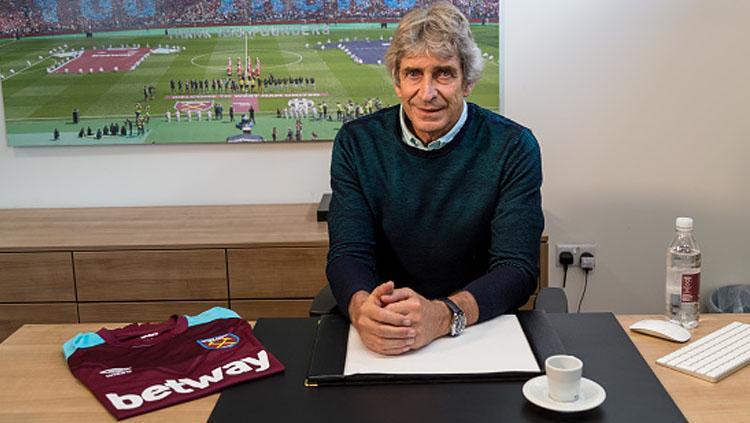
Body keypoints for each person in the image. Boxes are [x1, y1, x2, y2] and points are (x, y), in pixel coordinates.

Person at [326, 2, 544, 356]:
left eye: (443, 74)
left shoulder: (513, 147)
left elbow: (517, 268)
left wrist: (442, 315)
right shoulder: (356, 143)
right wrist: (361, 308)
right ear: (397, 81)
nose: (426, 93)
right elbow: (348, 253)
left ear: (468, 81)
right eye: (414, 74)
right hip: (386, 332)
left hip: (478, 331)